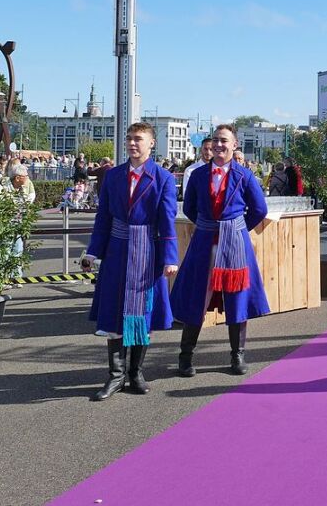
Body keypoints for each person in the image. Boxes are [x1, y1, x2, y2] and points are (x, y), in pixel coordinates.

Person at [80, 122, 179, 402]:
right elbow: (103, 218)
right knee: (113, 312)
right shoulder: (112, 177)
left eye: (138, 139)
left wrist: (170, 258)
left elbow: (167, 220)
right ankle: (115, 375)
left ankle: (135, 372)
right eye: (129, 139)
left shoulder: (163, 178)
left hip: (147, 252)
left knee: (141, 314)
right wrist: (92, 251)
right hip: (117, 251)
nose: (133, 144)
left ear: (151, 144)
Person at [171, 124, 269, 378]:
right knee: (196, 298)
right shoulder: (199, 175)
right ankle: (185, 356)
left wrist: (236, 230)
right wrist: (208, 226)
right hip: (204, 242)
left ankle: (237, 356)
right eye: (215, 140)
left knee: (236, 299)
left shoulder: (245, 176)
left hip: (235, 244)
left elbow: (259, 210)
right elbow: (190, 208)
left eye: (224, 140)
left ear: (234, 145)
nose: (218, 145)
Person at [0, 164, 36, 280]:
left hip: (18, 224)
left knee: (17, 251)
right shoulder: (1, 189)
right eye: (25, 176)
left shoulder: (21, 190)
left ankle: (16, 277)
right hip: (5, 225)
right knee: (4, 251)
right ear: (17, 178)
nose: (27, 179)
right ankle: (2, 278)